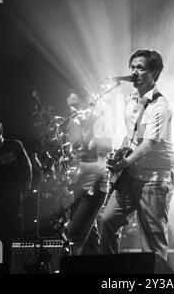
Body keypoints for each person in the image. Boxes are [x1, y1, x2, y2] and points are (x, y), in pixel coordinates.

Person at [100, 49, 174, 260]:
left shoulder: (161, 106)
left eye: (140, 68)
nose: (134, 71)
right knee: (107, 221)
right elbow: (133, 136)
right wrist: (119, 155)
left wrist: (124, 162)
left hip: (155, 178)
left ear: (154, 73)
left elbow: (149, 142)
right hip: (132, 174)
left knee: (152, 242)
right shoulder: (132, 99)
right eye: (132, 67)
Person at [63, 89, 113, 255]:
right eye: (70, 106)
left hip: (94, 185)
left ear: (89, 102)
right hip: (78, 185)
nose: (73, 110)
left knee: (74, 234)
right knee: (89, 236)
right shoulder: (74, 124)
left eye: (76, 105)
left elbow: (102, 163)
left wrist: (79, 168)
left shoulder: (101, 123)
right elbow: (75, 153)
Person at [0, 119, 32, 273]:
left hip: (14, 198)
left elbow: (28, 166)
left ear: (0, 133)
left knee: (14, 235)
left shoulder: (15, 145)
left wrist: (26, 188)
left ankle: (15, 268)